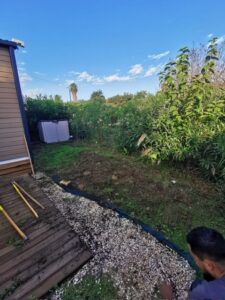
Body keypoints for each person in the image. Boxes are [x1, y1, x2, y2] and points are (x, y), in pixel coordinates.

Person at [160, 227, 225, 299]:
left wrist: (169, 298)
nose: (195, 262)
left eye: (194, 258)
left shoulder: (202, 293)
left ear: (209, 265)